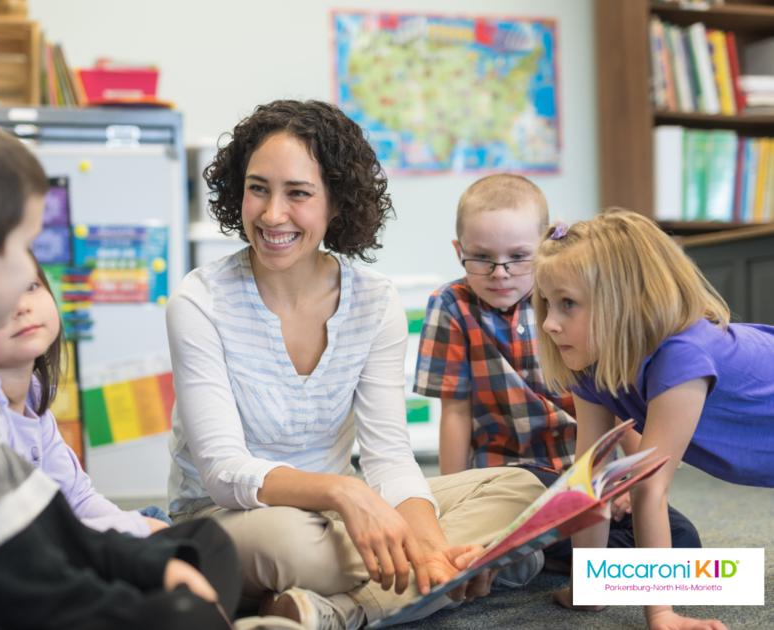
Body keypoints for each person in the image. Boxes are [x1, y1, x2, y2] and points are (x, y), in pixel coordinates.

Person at [165, 100, 547, 630]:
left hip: (343, 517)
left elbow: (388, 455)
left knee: (523, 490)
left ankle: (340, 612)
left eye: (298, 193)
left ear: (337, 203)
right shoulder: (199, 300)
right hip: (230, 519)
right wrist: (346, 493)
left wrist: (432, 546)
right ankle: (475, 564)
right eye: (258, 188)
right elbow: (224, 471)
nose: (273, 213)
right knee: (297, 545)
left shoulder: (374, 300)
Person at [0, 110, 241, 630]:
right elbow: (29, 583)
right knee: (183, 615)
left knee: (194, 560)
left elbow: (48, 525)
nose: (34, 271)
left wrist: (155, 566)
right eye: (25, 247)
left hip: (18, 580)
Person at [413, 176, 701, 571]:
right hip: (513, 482)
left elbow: (616, 404)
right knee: (527, 510)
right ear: (458, 251)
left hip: (585, 475)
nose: (500, 273)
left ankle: (526, 553)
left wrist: (630, 483)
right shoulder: (451, 306)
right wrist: (452, 496)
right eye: (481, 257)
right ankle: (520, 548)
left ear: (545, 249)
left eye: (518, 256)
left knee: (684, 541)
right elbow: (455, 412)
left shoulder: (574, 304)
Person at [533, 209, 774, 630]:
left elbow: (649, 487)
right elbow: (591, 476)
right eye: (546, 304)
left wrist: (661, 613)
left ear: (622, 302)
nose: (550, 323)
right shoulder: (591, 365)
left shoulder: (681, 353)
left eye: (567, 304)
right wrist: (591, 587)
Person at [0, 252, 172, 537]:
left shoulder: (33, 398)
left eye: (30, 286)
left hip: (53, 535)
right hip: (20, 547)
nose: (22, 306)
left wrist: (141, 531)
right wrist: (137, 530)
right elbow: (21, 532)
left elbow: (78, 498)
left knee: (158, 523)